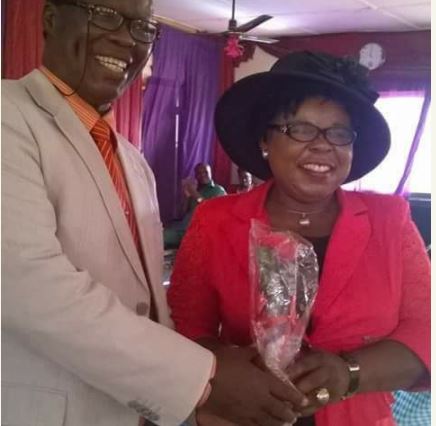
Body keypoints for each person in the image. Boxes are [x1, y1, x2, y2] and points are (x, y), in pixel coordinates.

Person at [1, 2, 307, 426]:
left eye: (142, 28)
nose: (124, 38)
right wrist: (206, 379)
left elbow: (146, 299)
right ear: (51, 19)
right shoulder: (9, 117)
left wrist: (211, 370)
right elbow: (30, 287)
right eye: (105, 14)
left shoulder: (132, 160)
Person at [168, 51, 430, 426]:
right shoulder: (215, 220)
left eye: (339, 132)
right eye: (301, 129)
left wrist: (348, 373)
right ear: (265, 140)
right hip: (243, 416)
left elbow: (425, 329)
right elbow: (186, 326)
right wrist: (227, 367)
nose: (323, 145)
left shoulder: (390, 219)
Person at [164, 163, 226, 248]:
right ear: (196, 176)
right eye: (199, 173)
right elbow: (182, 213)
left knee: (160, 236)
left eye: (205, 172)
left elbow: (209, 208)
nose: (202, 175)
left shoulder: (218, 190)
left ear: (211, 172)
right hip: (183, 227)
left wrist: (194, 194)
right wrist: (187, 197)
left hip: (199, 231)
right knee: (156, 232)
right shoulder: (196, 190)